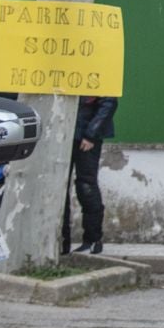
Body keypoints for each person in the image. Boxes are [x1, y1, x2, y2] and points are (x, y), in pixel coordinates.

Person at [62, 93, 117, 254]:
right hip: (64, 131)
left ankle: (93, 239)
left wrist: (91, 133)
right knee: (60, 189)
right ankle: (63, 242)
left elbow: (109, 103)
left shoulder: (98, 71)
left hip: (85, 133)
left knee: (86, 186)